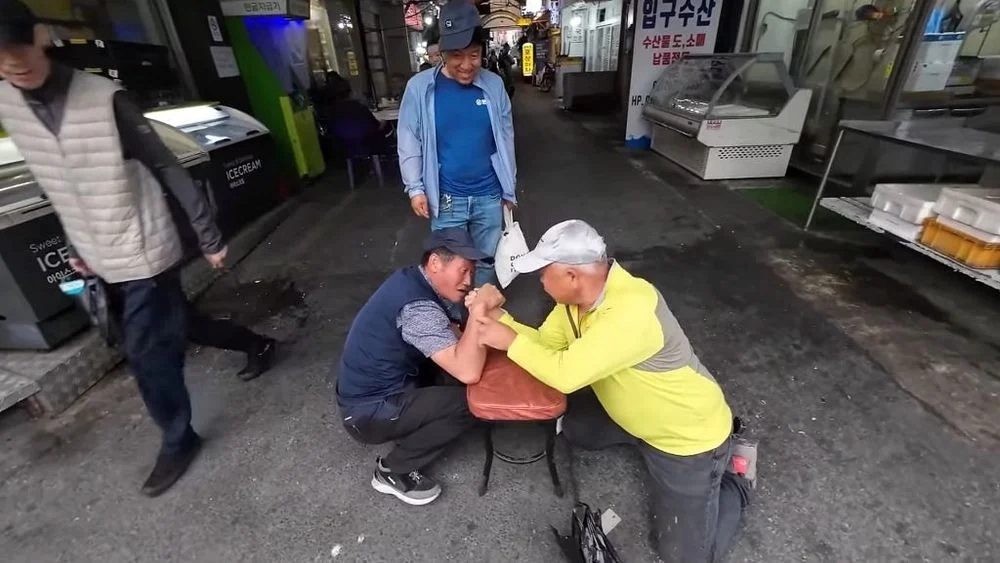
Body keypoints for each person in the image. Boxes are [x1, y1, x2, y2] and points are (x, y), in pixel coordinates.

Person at [0, 1, 270, 496]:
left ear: (40, 35)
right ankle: (256, 343)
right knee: (178, 324)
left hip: (142, 246)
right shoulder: (8, 104)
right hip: (95, 248)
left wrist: (207, 234)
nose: (11, 60)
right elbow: (54, 182)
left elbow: (167, 165)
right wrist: (75, 245)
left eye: (17, 45)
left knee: (146, 352)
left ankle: (177, 437)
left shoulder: (103, 99)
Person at [470, 220, 756, 563]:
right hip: (640, 418)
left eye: (544, 273)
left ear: (572, 276)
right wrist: (501, 319)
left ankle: (735, 479)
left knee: (684, 557)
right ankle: (642, 437)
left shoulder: (632, 309)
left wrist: (509, 340)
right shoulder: (574, 303)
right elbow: (547, 345)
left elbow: (565, 374)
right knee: (577, 429)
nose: (540, 282)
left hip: (686, 438)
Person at [336, 228, 490, 506]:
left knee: (458, 370)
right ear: (434, 263)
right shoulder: (417, 306)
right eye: (463, 270)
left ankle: (416, 421)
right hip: (368, 412)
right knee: (471, 403)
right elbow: (469, 370)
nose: (469, 280)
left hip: (391, 385)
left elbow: (455, 335)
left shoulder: (416, 279)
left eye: (472, 271)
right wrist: (480, 313)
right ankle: (393, 470)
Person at [398, 0, 517, 287]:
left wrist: (509, 189)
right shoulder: (421, 88)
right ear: (442, 53)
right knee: (452, 266)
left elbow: (505, 138)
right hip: (447, 197)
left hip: (489, 195)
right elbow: (409, 138)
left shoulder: (494, 85)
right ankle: (454, 319)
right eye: (457, 56)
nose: (466, 65)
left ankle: (480, 315)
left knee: (486, 260)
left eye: (474, 55)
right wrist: (415, 187)